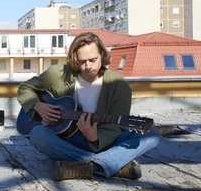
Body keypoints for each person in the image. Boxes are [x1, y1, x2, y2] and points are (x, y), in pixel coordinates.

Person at [16, 32, 160, 181]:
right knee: (37, 134)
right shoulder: (58, 74)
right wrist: (38, 106)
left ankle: (89, 167)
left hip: (102, 141)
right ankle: (111, 164)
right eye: (82, 61)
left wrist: (94, 138)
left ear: (102, 55)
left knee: (152, 134)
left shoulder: (119, 85)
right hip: (67, 139)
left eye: (93, 60)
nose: (88, 66)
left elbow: (116, 128)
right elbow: (24, 88)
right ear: (74, 59)